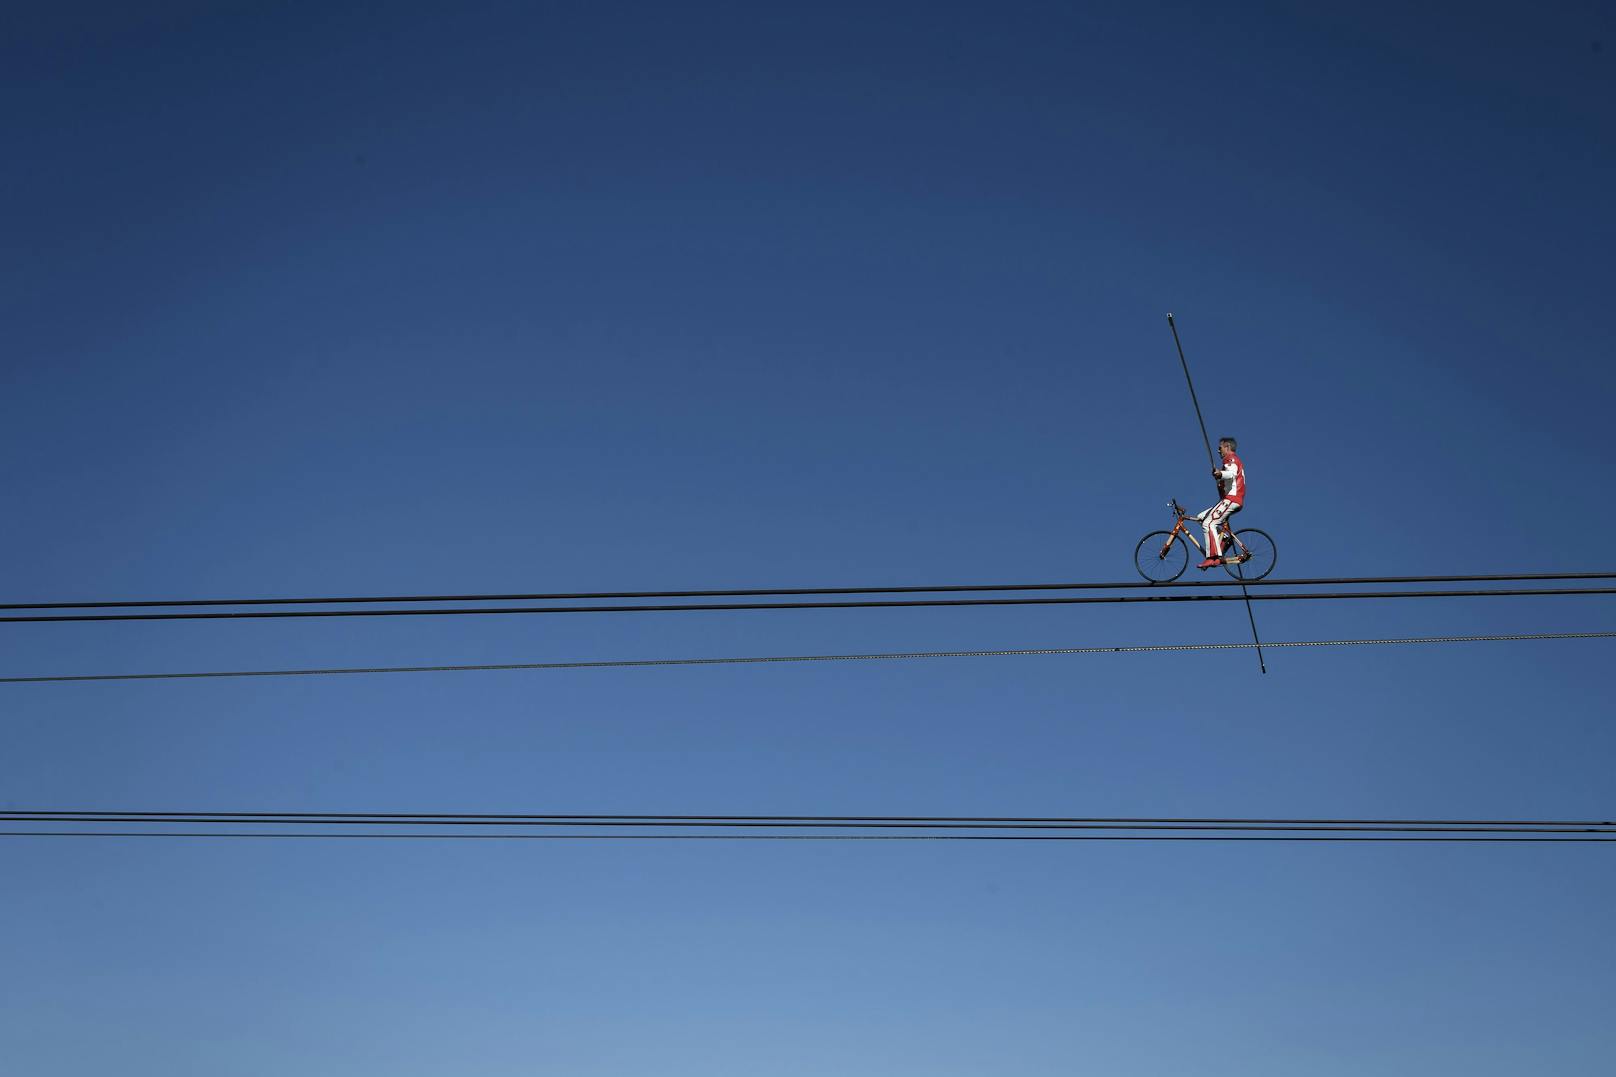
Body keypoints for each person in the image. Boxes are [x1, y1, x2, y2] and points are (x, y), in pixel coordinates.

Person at [1194, 437, 1246, 569]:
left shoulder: (1230, 458)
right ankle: (1222, 540)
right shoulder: (1228, 461)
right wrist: (1219, 476)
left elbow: (1232, 473)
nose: (1218, 451)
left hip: (1231, 499)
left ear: (1227, 447)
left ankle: (1213, 557)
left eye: (1220, 447)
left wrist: (1220, 473)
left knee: (1208, 523)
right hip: (1229, 499)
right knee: (1201, 517)